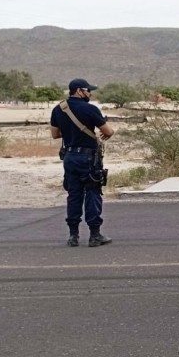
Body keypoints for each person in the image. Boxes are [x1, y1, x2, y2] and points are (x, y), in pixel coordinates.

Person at [50, 78, 115, 247]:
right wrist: (108, 132)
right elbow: (107, 131)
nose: (90, 93)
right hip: (88, 157)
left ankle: (73, 235)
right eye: (88, 90)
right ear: (79, 90)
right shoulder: (90, 109)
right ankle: (95, 235)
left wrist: (71, 132)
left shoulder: (58, 109)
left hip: (69, 157)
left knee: (74, 195)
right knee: (92, 192)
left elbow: (55, 135)